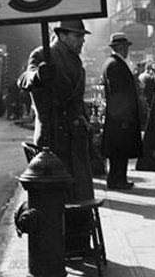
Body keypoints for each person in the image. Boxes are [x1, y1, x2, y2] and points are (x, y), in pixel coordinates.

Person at [17, 19, 94, 202]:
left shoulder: (75, 60)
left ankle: (79, 226)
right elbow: (23, 79)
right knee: (55, 198)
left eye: (83, 36)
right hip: (52, 139)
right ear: (62, 35)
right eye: (78, 36)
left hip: (75, 138)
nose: (82, 41)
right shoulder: (43, 54)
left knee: (78, 195)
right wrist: (38, 76)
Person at [100, 32, 143, 190]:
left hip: (118, 116)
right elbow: (118, 93)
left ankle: (118, 178)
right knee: (120, 151)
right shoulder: (115, 65)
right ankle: (117, 180)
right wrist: (126, 115)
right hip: (121, 117)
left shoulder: (112, 63)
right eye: (124, 47)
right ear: (117, 47)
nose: (126, 50)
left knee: (119, 151)